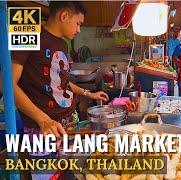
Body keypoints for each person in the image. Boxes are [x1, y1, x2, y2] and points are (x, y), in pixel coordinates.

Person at [11, 2, 108, 139]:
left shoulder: (62, 43)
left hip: (69, 121)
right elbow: (7, 84)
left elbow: (61, 81)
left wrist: (88, 94)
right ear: (64, 16)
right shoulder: (29, 31)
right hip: (44, 128)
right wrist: (43, 120)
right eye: (78, 23)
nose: (79, 30)